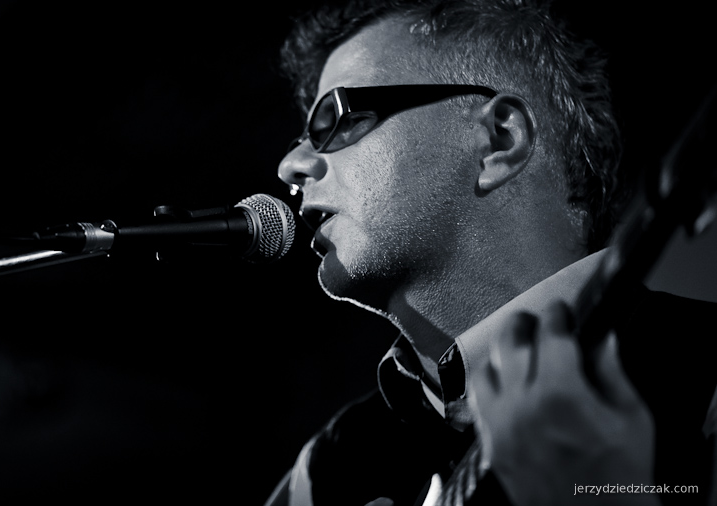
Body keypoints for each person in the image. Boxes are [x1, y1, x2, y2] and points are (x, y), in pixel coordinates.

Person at [266, 0, 717, 505]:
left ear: (499, 139)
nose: (291, 165)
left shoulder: (704, 371)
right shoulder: (326, 471)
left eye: (336, 119)